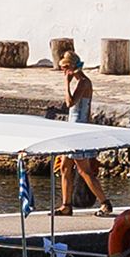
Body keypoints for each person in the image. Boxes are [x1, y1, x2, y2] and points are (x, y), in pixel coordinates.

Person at [49, 36, 101, 219]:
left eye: (65, 67)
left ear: (72, 67)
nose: (63, 70)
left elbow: (70, 102)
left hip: (79, 130)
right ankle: (66, 205)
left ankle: (105, 202)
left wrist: (66, 83)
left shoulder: (84, 83)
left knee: (83, 170)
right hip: (72, 128)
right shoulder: (79, 82)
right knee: (64, 167)